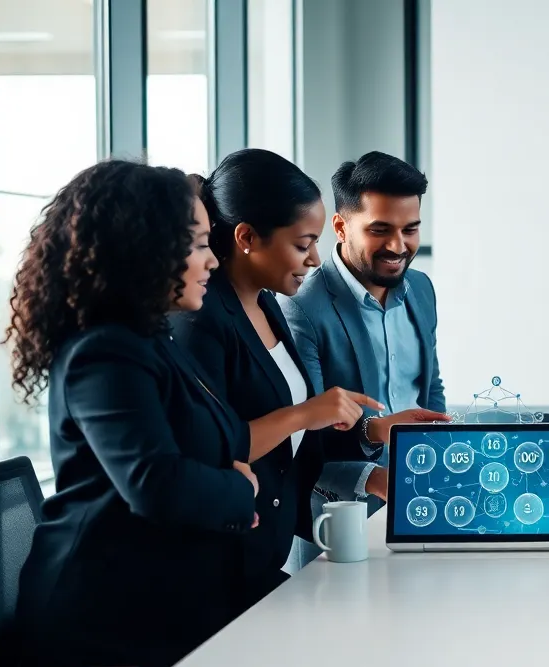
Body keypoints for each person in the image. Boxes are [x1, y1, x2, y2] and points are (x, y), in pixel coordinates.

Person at [8, 161, 256, 667]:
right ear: (146, 251)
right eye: (198, 245)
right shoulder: (105, 352)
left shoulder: (151, 339)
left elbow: (215, 440)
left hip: (160, 602)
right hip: (105, 630)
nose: (214, 260)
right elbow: (156, 483)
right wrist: (238, 488)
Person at [171, 148, 445, 611]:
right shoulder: (218, 318)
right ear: (247, 238)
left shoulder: (268, 306)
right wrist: (318, 423)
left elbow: (304, 437)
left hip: (268, 547)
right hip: (237, 555)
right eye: (303, 244)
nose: (314, 259)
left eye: (410, 229)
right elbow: (210, 447)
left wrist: (373, 433)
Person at [281, 151, 443, 500]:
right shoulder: (300, 308)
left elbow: (430, 388)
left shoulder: (422, 289)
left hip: (424, 496)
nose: (398, 246)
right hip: (340, 513)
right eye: (380, 230)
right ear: (340, 227)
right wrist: (374, 446)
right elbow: (301, 434)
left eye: (410, 229)